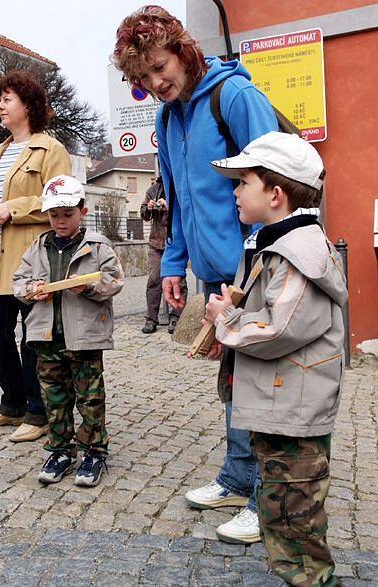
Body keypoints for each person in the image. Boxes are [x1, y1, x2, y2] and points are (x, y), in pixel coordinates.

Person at [113, 5, 278, 542]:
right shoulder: (167, 116)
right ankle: (236, 476)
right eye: (142, 77)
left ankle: (265, 499)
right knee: (233, 380)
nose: (155, 82)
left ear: (182, 50)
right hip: (212, 274)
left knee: (261, 386)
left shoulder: (235, 98)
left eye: (159, 67)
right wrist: (172, 263)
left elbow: (276, 186)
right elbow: (180, 199)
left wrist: (256, 265)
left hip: (253, 270)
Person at [205, 131, 347, 585]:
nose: (235, 192)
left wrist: (226, 320)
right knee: (281, 510)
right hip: (282, 405)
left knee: (296, 518)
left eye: (242, 182)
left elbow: (278, 328)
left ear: (276, 194)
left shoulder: (295, 252)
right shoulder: (278, 245)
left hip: (293, 411)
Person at [0, 70, 71, 443]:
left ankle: (38, 411)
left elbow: (61, 198)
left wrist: (14, 208)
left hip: (31, 261)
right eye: (0, 99)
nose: (0, 106)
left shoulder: (50, 149)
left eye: (7, 99)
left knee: (34, 337)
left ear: (28, 105)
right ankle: (12, 404)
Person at [13, 175, 124, 485]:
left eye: (67, 215)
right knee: (55, 396)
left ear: (82, 212)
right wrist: (32, 289)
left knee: (89, 398)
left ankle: (93, 451)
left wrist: (88, 286)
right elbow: (17, 282)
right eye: (54, 215)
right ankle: (60, 449)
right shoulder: (38, 246)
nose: (60, 222)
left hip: (85, 336)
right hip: (46, 336)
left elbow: (115, 281)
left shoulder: (97, 245)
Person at [139, 176, 187, 334]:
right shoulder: (153, 189)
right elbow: (143, 214)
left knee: (178, 281)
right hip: (156, 243)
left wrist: (169, 207)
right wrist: (149, 208)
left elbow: (187, 207)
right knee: (153, 280)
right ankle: (151, 319)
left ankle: (176, 316)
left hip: (175, 242)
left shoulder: (180, 183)